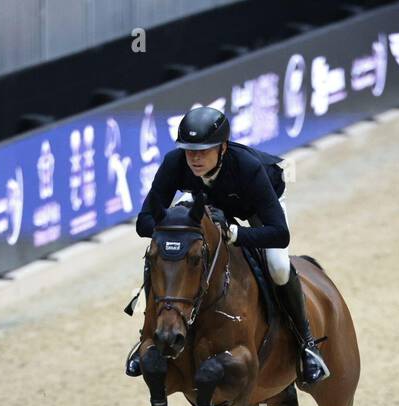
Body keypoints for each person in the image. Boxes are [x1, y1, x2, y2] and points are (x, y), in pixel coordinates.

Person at [126, 106, 329, 386]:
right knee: (164, 257)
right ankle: (146, 337)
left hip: (254, 208)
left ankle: (307, 345)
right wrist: (176, 236)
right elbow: (144, 222)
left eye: (203, 150)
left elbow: (279, 234)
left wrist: (237, 235)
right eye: (189, 150)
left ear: (222, 147)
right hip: (213, 210)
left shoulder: (248, 167)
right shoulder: (175, 163)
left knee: (279, 266)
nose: (194, 158)